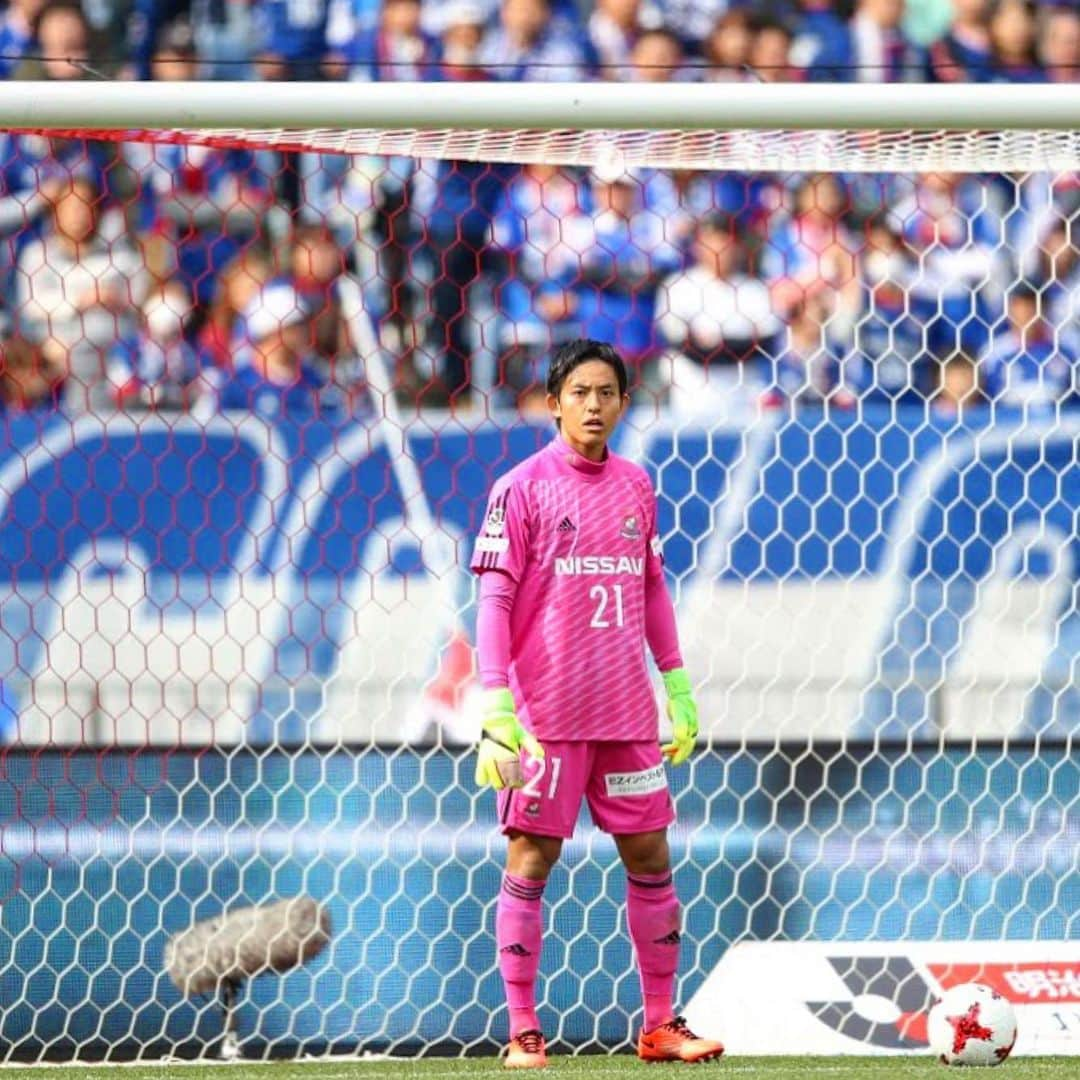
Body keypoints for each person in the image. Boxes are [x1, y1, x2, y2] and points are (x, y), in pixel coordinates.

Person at [469, 338, 724, 1068]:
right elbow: (493, 599)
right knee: (533, 854)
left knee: (650, 854)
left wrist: (675, 686)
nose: (593, 405)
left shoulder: (637, 485)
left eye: (606, 392)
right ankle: (522, 1030)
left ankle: (660, 1024)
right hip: (545, 717)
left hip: (624, 711)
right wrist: (496, 708)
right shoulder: (520, 488)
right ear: (554, 403)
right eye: (579, 392)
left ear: (621, 402)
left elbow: (649, 589)